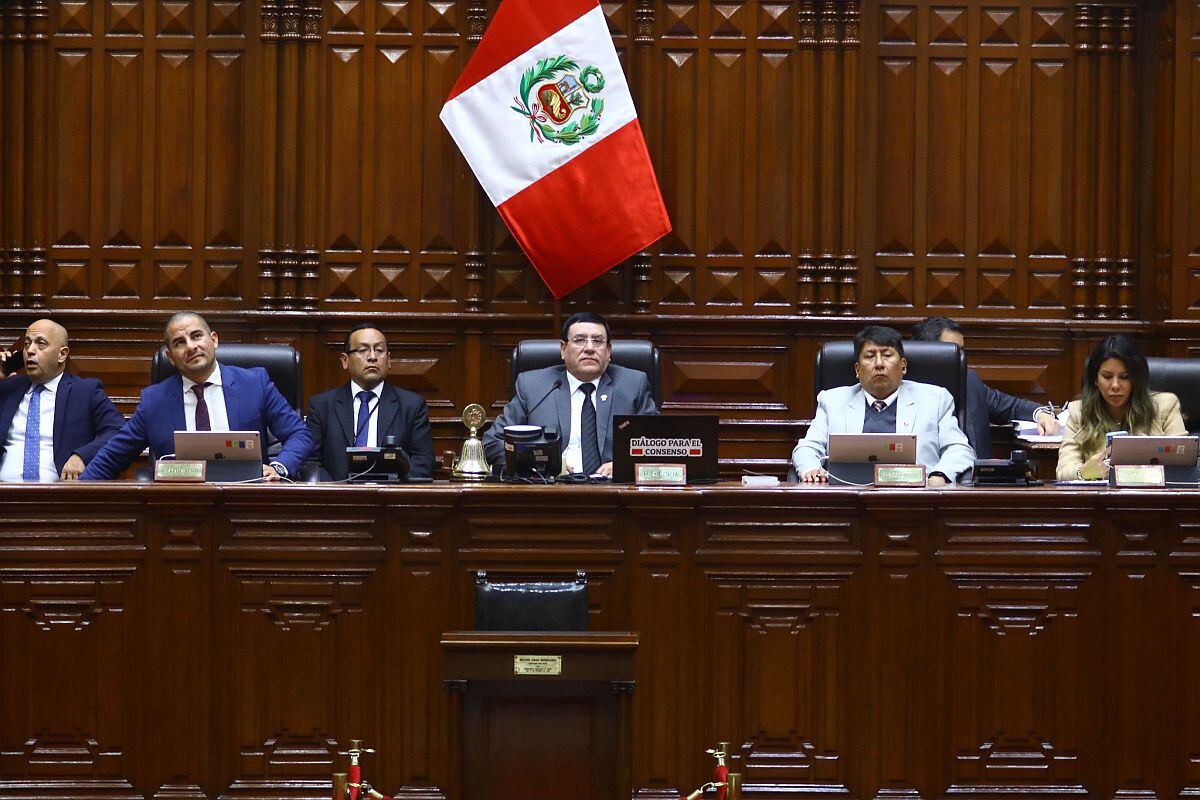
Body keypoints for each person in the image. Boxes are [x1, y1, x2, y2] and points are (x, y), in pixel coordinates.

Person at [81, 312, 313, 480]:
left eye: (196, 336)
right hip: (182, 507)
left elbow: (299, 434)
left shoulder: (255, 384)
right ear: (171, 357)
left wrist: (279, 467)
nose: (191, 347)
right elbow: (112, 457)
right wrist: (73, 497)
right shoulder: (155, 401)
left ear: (214, 340)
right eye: (180, 343)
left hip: (247, 498)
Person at [793, 324, 975, 487]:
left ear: (903, 365)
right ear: (857, 370)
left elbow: (959, 448)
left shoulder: (935, 399)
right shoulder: (832, 400)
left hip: (917, 498)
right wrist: (811, 469)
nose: (879, 364)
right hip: (848, 497)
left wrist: (940, 475)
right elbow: (807, 447)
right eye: (870, 356)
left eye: (887, 355)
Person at [483, 311, 658, 477]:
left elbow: (658, 444)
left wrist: (624, 465)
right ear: (563, 349)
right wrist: (541, 463)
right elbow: (494, 442)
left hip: (613, 492)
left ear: (609, 351)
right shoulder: (533, 386)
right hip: (550, 491)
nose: (589, 348)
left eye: (597, 341)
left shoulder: (633, 385)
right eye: (580, 340)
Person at [911, 316, 1061, 456]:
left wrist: (1041, 414)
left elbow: (1013, 407)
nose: (961, 358)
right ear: (927, 352)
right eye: (954, 352)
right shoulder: (902, 389)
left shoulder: (969, 382)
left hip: (971, 479)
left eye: (962, 352)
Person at [304, 323, 434, 481]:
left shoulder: (411, 406)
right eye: (363, 350)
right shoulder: (322, 406)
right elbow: (310, 462)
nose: (372, 357)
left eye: (379, 350)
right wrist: (337, 492)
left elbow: (423, 461)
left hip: (390, 500)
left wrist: (390, 490)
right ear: (345, 360)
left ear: (389, 360)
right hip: (338, 499)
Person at [0, 319, 125, 481]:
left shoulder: (85, 392)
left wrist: (82, 457)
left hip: (60, 495)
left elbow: (119, 431)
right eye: (26, 344)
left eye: (41, 344)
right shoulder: (8, 388)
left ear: (62, 354)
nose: (30, 350)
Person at [1056, 335, 1185, 480]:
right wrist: (1083, 472)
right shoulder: (1079, 412)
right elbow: (1063, 471)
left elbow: (1183, 464)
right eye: (1107, 376)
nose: (1115, 385)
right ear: (1095, 380)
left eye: (1124, 377)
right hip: (1100, 499)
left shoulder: (1165, 406)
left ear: (1136, 379)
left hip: (1153, 498)